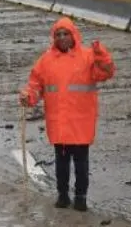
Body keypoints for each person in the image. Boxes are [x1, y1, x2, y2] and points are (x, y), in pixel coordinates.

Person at [19, 17, 115, 211]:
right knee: (61, 163)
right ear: (54, 38)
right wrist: (28, 97)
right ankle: (62, 195)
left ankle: (81, 197)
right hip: (60, 121)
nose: (62, 38)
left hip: (80, 121)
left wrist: (101, 54)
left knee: (81, 163)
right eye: (58, 35)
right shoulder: (46, 60)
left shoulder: (88, 56)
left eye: (66, 34)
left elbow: (106, 73)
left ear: (74, 35)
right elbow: (35, 84)